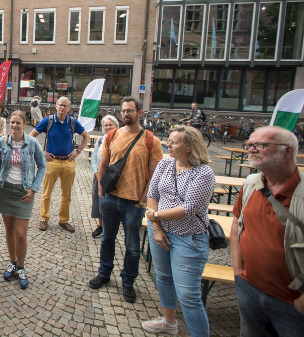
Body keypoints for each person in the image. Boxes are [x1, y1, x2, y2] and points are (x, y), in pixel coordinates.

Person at [230, 126, 304, 336]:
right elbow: (237, 223)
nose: (251, 150)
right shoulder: (252, 183)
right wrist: (237, 270)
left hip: (291, 302)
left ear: (288, 151)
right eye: (249, 145)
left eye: (260, 145)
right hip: (249, 289)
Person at [142, 125, 214, 336]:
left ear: (190, 146)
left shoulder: (203, 173)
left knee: (188, 295)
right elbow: (152, 194)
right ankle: (169, 322)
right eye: (169, 140)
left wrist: (154, 216)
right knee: (163, 277)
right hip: (160, 232)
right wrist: (156, 227)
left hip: (188, 238)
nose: (168, 144)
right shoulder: (165, 164)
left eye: (174, 142)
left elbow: (188, 208)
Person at [90, 96, 163, 303]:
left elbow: (153, 175)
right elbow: (102, 163)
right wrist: (102, 188)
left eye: (130, 110)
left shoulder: (151, 140)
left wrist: (142, 199)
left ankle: (128, 281)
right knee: (107, 239)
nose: (125, 114)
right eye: (123, 111)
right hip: (111, 198)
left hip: (134, 203)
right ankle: (104, 273)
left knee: (132, 245)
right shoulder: (112, 135)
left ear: (139, 113)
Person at [0, 110, 46, 289]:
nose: (14, 126)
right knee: (9, 228)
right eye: (12, 122)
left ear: (24, 125)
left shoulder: (32, 143)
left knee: (21, 233)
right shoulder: (3, 141)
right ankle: (12, 262)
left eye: (18, 123)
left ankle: (21, 267)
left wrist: (33, 189)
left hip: (23, 193)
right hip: (5, 189)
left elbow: (42, 165)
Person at [29, 96, 90, 233]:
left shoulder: (72, 122)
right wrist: (42, 152)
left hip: (68, 162)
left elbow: (86, 136)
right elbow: (31, 136)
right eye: (60, 105)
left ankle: (64, 220)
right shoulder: (48, 121)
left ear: (69, 108)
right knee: (46, 193)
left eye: (65, 106)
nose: (62, 108)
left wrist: (78, 152)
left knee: (66, 194)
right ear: (56, 106)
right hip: (52, 161)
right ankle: (44, 218)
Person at [90, 115, 119, 238]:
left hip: (115, 176)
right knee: (99, 201)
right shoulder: (100, 140)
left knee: (113, 202)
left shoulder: (120, 139)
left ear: (117, 126)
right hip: (100, 175)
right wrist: (97, 174)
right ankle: (101, 225)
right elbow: (94, 158)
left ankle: (111, 226)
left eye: (110, 125)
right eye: (106, 125)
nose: (108, 127)